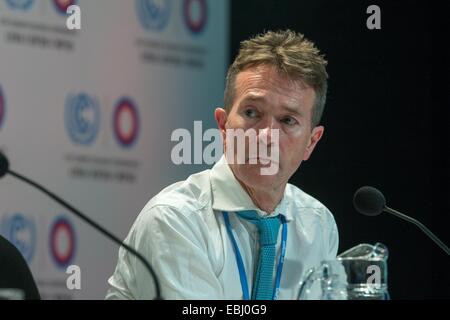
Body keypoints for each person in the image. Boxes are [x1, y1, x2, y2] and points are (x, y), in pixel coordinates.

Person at [105, 30, 338, 300]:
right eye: (252, 113)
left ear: (311, 141)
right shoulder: (176, 218)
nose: (266, 136)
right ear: (224, 125)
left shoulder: (318, 224)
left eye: (288, 121)